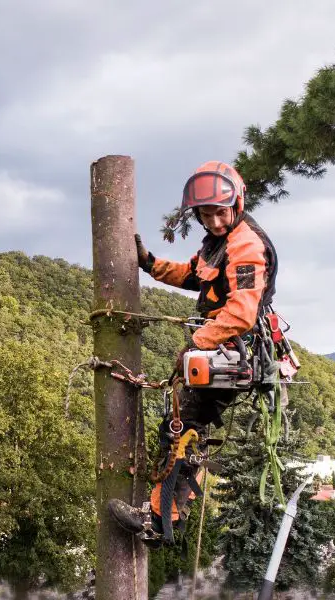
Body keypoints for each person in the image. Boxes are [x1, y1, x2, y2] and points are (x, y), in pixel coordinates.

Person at [107, 160, 279, 545]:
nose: (215, 221)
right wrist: (151, 265)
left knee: (181, 430)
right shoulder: (217, 243)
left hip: (231, 349)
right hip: (220, 347)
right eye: (206, 214)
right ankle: (164, 514)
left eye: (220, 212)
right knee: (184, 428)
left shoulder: (247, 245)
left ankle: (159, 519)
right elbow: (191, 274)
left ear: (236, 203)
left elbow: (242, 312)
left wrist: (199, 342)